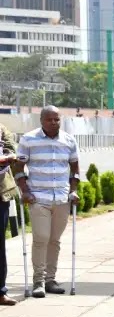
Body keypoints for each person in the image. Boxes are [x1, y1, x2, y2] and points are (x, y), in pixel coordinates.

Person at [13, 106, 80, 298]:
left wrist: (74, 191)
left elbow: (74, 168)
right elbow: (19, 166)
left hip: (61, 197)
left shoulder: (68, 140)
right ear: (41, 120)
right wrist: (24, 191)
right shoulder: (29, 139)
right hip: (38, 197)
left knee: (54, 240)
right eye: (49, 119)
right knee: (41, 237)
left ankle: (51, 280)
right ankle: (38, 281)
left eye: (57, 119)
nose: (53, 123)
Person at [0, 124, 18, 306]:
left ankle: (0, 291)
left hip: (1, 194)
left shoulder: (2, 129)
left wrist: (5, 157)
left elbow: (12, 153)